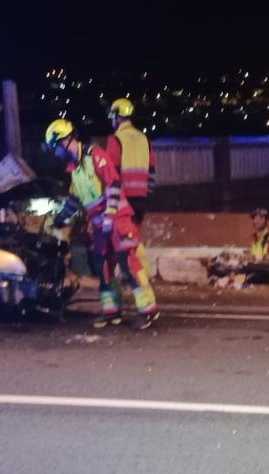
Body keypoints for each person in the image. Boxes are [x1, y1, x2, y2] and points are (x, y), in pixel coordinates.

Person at [45, 118, 159, 330]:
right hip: (100, 225)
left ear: (64, 140)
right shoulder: (75, 169)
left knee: (127, 263)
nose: (55, 153)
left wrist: (110, 214)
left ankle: (149, 310)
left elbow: (113, 183)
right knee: (102, 264)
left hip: (117, 219)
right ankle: (111, 312)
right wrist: (59, 219)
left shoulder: (94, 155)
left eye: (55, 147)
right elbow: (74, 199)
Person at [105, 98, 155, 225]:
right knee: (135, 238)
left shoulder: (116, 139)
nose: (111, 120)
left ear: (118, 117)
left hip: (122, 200)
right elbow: (152, 172)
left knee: (121, 240)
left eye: (112, 116)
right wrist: (146, 196)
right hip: (141, 201)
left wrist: (111, 204)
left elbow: (111, 174)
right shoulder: (145, 139)